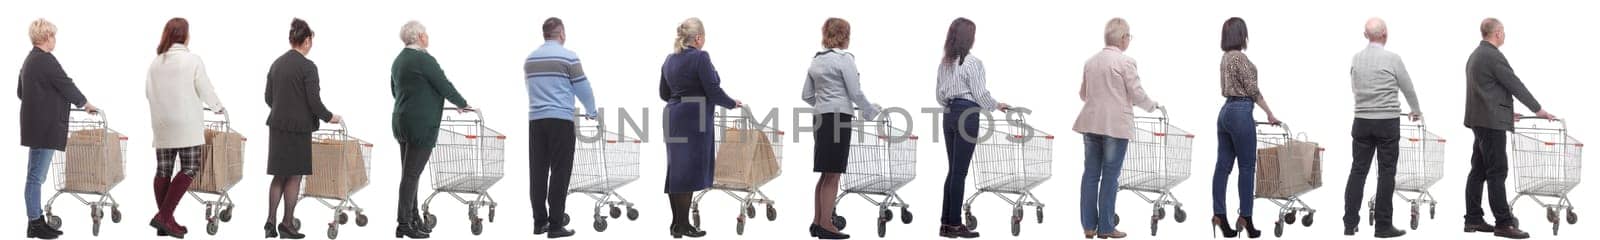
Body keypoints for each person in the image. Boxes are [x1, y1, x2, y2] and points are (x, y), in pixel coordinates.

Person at [1463, 18, 1550, 240]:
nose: (1505, 35)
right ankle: (1503, 223)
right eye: (1504, 32)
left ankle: (1473, 218)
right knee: (1497, 172)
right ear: (1498, 33)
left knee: (1479, 170)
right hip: (1490, 124)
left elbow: (1484, 91)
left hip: (1480, 120)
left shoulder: (1476, 55)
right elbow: (1514, 84)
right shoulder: (1492, 56)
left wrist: (1506, 113)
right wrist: (1538, 109)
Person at [1072, 17, 1159, 239]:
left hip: (1091, 123)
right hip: (1115, 126)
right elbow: (1137, 94)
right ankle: (1106, 228)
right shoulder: (1125, 62)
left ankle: (1089, 227)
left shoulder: (1090, 62)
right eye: (1129, 35)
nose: (1129, 39)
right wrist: (1152, 106)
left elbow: (1083, 94)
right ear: (1122, 39)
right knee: (1110, 177)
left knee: (1090, 175)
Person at [390, 20, 473, 239]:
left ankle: (414, 218)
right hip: (421, 125)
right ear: (418, 37)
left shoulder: (398, 60)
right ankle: (403, 224)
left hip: (401, 121)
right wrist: (462, 103)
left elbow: (394, 90)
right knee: (411, 176)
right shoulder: (423, 59)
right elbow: (443, 84)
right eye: (425, 33)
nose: (428, 36)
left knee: (410, 175)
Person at [145, 17, 227, 239]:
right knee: (190, 167)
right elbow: (205, 89)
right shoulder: (192, 60)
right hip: (186, 124)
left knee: (163, 169)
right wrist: (217, 107)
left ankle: (165, 220)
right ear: (185, 36)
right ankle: (164, 217)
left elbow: (148, 93)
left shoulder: (156, 62)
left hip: (161, 124)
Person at [660, 17, 739, 239]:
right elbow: (713, 91)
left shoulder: (669, 59)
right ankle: (683, 226)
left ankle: (677, 224)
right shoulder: (701, 57)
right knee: (688, 170)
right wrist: (733, 103)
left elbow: (664, 94)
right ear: (698, 38)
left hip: (673, 115)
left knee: (676, 169)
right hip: (695, 118)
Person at [1342, 18, 1418, 239]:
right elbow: (1408, 87)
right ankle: (1383, 226)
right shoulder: (1392, 59)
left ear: (1366, 35)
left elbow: (1354, 86)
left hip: (1362, 121)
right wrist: (1416, 110)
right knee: (1386, 173)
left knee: (1358, 171)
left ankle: (1349, 223)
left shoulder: (1356, 58)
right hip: (1387, 122)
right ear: (1385, 34)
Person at [802, 17, 878, 240]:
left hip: (820, 119)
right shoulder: (845, 59)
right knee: (833, 175)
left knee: (825, 173)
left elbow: (806, 95)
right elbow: (855, 93)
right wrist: (871, 111)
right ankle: (826, 225)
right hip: (838, 119)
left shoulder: (816, 61)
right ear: (845, 35)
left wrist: (825, 103)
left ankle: (817, 223)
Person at [19, 18, 94, 240]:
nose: (55, 39)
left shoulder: (29, 60)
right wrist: (85, 103)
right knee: (36, 178)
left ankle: (36, 221)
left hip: (35, 126)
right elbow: (65, 83)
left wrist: (41, 98)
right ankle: (35, 223)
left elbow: (20, 91)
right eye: (53, 35)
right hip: (45, 127)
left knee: (34, 176)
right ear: (45, 37)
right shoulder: (45, 60)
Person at [264, 18, 339, 239]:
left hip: (277, 126)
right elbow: (313, 101)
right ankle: (287, 223)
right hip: (298, 129)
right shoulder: (308, 67)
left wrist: (284, 109)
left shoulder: (276, 64)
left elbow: (269, 98)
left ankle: (270, 221)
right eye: (311, 41)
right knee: (294, 176)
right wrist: (329, 117)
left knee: (279, 176)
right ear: (306, 41)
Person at [935, 17, 1007, 239]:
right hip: (967, 114)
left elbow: (939, 95)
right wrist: (996, 105)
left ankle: (946, 223)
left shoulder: (945, 63)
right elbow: (980, 94)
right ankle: (955, 224)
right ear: (970, 37)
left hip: (948, 114)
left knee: (953, 170)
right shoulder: (973, 63)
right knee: (959, 172)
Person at [524, 17, 595, 239]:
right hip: (561, 120)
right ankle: (555, 224)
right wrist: (592, 110)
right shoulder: (569, 57)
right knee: (560, 171)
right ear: (561, 33)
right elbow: (583, 88)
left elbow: (531, 88)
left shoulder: (530, 59)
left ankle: (539, 222)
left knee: (538, 171)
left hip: (536, 121)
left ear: (544, 34)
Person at [1211, 17, 1280, 239]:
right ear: (1242, 35)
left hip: (1225, 113)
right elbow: (1252, 89)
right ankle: (1247, 218)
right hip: (1241, 112)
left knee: (1223, 167)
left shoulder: (1224, 58)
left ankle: (1219, 215)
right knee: (1247, 168)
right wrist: (1269, 113)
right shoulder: (1240, 58)